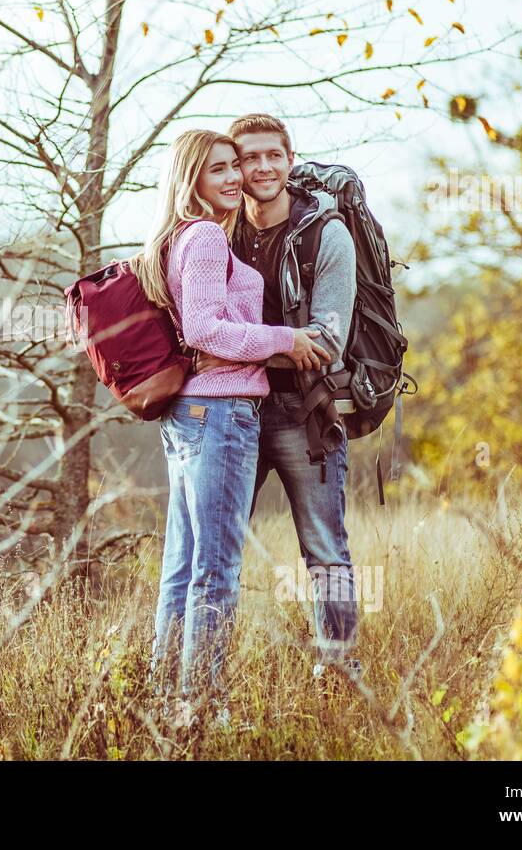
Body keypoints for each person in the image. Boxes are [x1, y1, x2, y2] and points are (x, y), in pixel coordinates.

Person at [133, 128, 328, 720]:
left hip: (192, 415)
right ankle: (200, 704)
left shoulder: (178, 238)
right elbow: (203, 329)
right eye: (218, 169)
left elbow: (200, 328)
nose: (234, 178)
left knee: (184, 566)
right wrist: (286, 340)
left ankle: (164, 695)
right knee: (215, 568)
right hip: (218, 414)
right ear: (191, 177)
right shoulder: (205, 239)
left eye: (233, 167)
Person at [195, 113, 363, 683]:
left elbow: (328, 341)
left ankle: (338, 672)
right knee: (214, 553)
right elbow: (195, 324)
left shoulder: (326, 233)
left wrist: (231, 348)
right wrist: (263, 345)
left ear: (290, 159)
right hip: (229, 416)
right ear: (233, 167)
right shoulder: (218, 232)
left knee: (325, 550)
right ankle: (203, 679)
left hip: (301, 414)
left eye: (274, 155)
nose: (261, 167)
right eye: (248, 158)